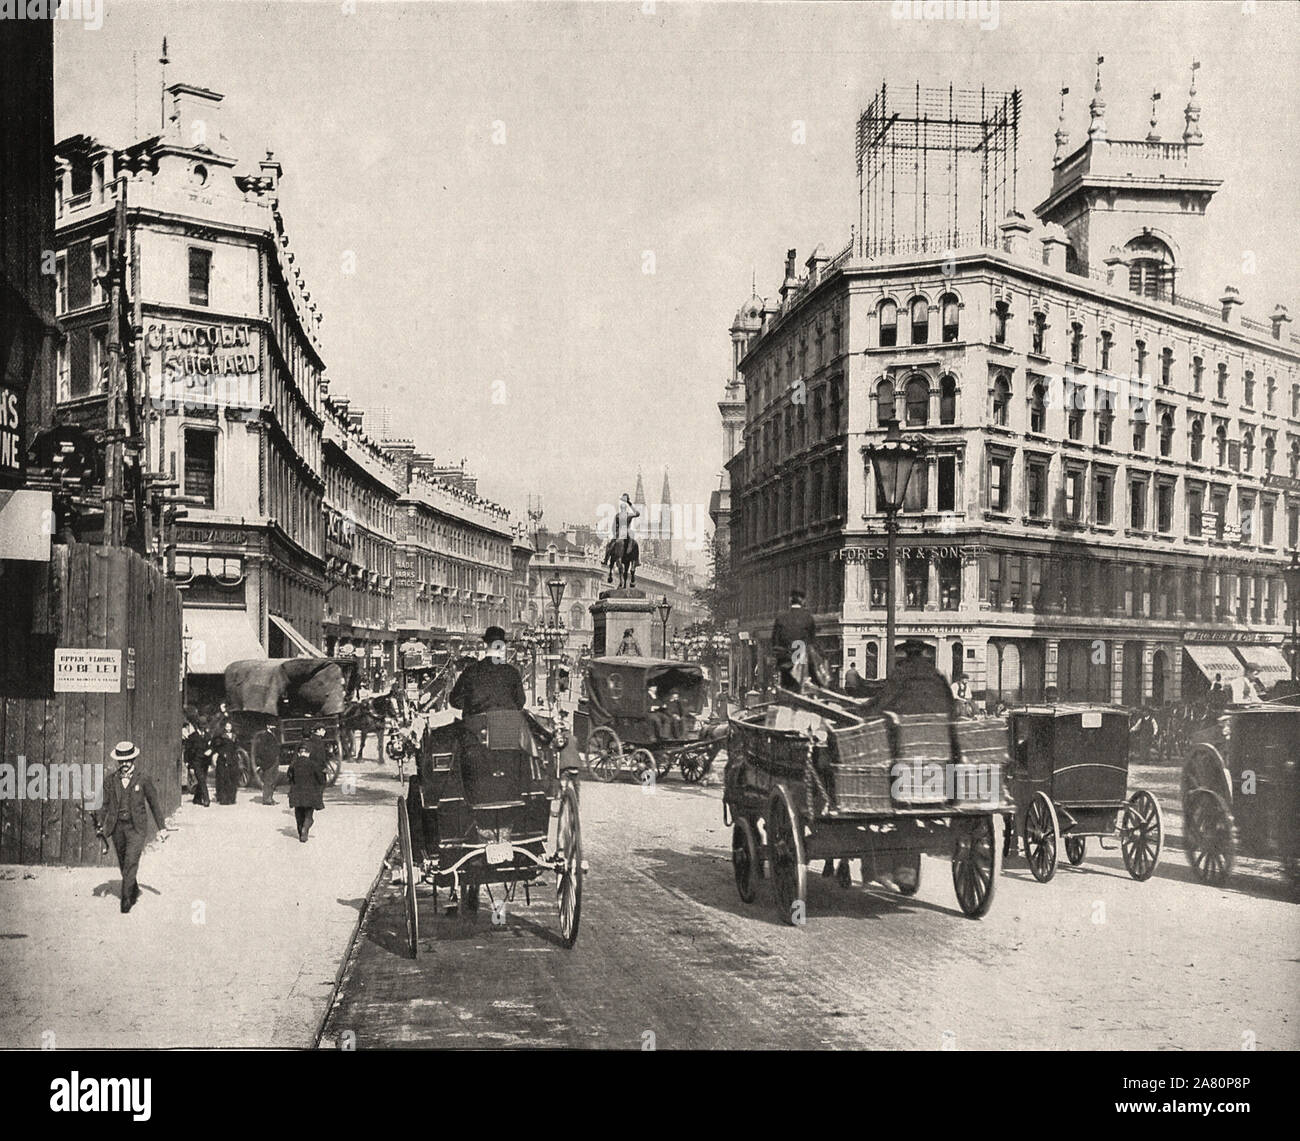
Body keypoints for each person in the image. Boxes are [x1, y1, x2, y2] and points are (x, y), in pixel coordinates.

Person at [93, 742, 168, 914]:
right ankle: (132, 888)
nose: (124, 764)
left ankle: (126, 899)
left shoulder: (143, 779)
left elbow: (154, 804)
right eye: (121, 761)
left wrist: (161, 828)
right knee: (123, 861)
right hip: (117, 827)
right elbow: (103, 804)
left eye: (127, 760)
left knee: (131, 861)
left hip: (137, 828)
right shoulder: (110, 781)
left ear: (133, 759)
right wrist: (100, 822)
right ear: (117, 762)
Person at [449, 626, 527, 716]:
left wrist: (470, 705)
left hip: (477, 726)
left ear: (485, 645)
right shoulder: (512, 672)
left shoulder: (470, 671)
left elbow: (454, 700)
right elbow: (520, 702)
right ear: (503, 646)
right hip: (506, 725)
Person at [288, 725, 329, 842]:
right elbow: (320, 778)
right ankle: (305, 829)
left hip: (296, 793)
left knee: (298, 813)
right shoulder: (313, 764)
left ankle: (300, 830)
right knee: (308, 815)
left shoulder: (294, 765)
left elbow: (289, 776)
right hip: (310, 793)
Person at [772, 589, 817, 692]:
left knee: (786, 689)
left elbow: (774, 641)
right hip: (801, 664)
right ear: (803, 601)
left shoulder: (781, 618)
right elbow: (812, 642)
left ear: (790, 600)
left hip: (785, 663)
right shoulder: (808, 618)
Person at [209, 705, 242, 805]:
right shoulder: (220, 734)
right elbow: (216, 744)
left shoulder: (234, 736)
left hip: (232, 759)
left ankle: (231, 798)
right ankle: (223, 798)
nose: (228, 728)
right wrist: (220, 753)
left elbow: (236, 746)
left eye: (229, 726)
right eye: (227, 726)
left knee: (232, 778)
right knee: (223, 779)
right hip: (223, 758)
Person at [182, 705, 210, 807]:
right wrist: (188, 763)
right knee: (202, 780)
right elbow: (188, 751)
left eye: (204, 727)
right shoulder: (192, 737)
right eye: (201, 727)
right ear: (198, 726)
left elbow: (211, 746)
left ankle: (196, 799)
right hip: (196, 762)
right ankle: (206, 799)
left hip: (205, 762)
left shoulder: (207, 736)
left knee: (202, 780)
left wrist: (210, 751)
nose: (203, 729)